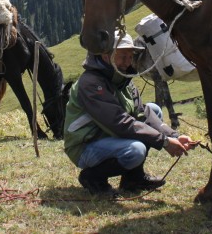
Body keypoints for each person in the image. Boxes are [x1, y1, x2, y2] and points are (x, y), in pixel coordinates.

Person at [64, 30, 197, 195]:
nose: (128, 62)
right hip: (85, 145)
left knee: (154, 110)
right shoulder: (91, 83)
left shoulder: (122, 79)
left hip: (106, 136)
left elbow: (143, 114)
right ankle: (92, 177)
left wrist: (174, 136)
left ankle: (133, 179)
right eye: (122, 56)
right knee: (135, 150)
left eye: (130, 56)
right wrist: (164, 142)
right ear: (107, 56)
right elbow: (119, 122)